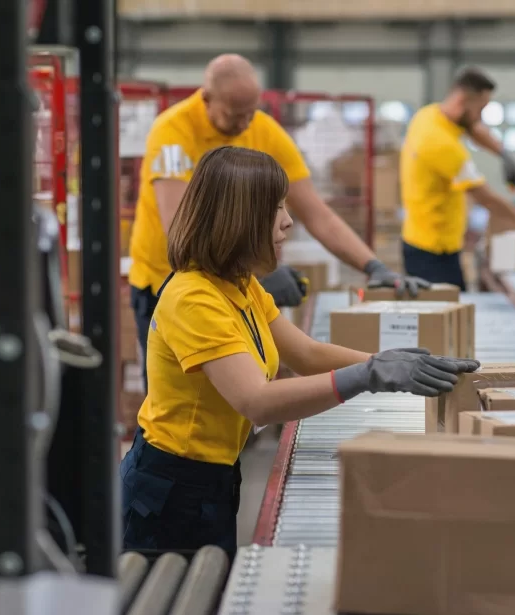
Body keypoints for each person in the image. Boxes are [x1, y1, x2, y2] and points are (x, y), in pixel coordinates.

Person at [120, 146, 479, 558]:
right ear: (240, 218)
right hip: (169, 488)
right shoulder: (193, 298)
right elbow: (257, 402)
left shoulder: (239, 284)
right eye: (275, 209)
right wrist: (367, 377)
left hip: (212, 477)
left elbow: (304, 353)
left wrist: (388, 363)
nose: (288, 221)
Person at [127, 54, 428, 391]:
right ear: (207, 98)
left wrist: (373, 266)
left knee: (232, 391)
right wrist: (263, 269)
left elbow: (317, 213)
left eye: (251, 112)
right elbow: (180, 226)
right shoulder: (173, 132)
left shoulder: (262, 129)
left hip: (231, 279)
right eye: (235, 114)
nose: (245, 123)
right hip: (165, 279)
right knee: (184, 392)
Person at [400, 67, 515, 290]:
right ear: (463, 100)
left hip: (424, 240)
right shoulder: (443, 145)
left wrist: (503, 154)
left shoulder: (429, 115)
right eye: (480, 109)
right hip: (433, 252)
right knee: (446, 316)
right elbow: (486, 198)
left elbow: (473, 128)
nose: (481, 117)